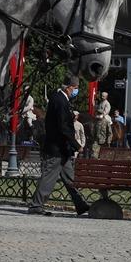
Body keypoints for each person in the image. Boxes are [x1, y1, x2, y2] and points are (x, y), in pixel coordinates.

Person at [27, 75, 89, 216]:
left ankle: (81, 205)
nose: (76, 91)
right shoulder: (60, 100)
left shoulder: (58, 98)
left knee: (70, 178)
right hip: (57, 148)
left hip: (62, 149)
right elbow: (63, 127)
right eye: (76, 88)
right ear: (69, 87)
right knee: (49, 177)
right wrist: (76, 144)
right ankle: (36, 206)